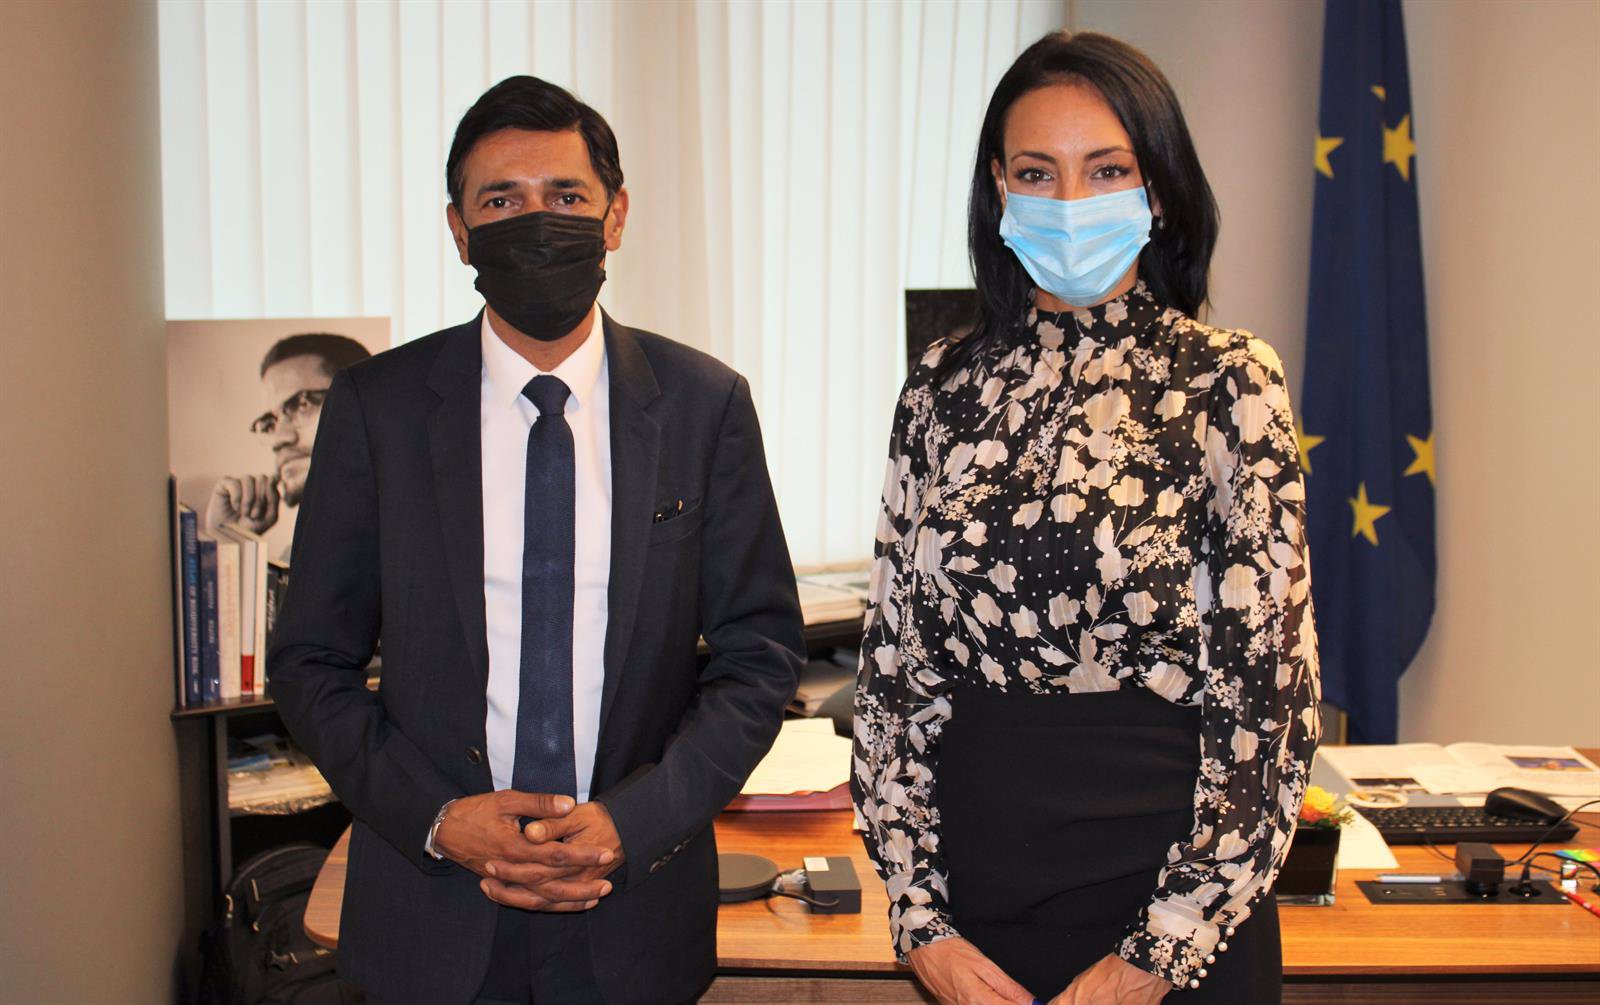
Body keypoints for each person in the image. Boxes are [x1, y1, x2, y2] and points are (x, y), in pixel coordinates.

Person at [269, 75, 804, 1005]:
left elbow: (759, 656)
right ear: (458, 230)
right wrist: (439, 818)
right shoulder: (377, 408)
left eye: (565, 196)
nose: (537, 222)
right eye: (501, 201)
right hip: (433, 912)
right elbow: (311, 661)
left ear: (616, 215)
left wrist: (634, 821)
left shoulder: (704, 404)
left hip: (632, 908)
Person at [852, 31, 1320, 1005]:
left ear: (1158, 190)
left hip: (1174, 921)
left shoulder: (1229, 382)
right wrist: (919, 921)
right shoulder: (941, 388)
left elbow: (1268, 704)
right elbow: (893, 673)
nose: (1070, 201)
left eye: (1106, 170)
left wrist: (1158, 953)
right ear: (999, 189)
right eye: (1037, 172)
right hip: (976, 925)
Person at [204, 333, 371, 541]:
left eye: (302, 404)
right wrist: (230, 539)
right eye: (270, 423)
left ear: (364, 404)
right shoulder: (301, 550)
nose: (278, 439)